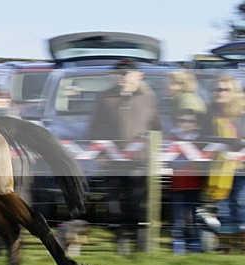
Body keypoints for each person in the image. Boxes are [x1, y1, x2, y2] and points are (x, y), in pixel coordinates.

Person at [87, 60, 161, 255]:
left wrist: (154, 154)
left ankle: (139, 237)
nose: (122, 77)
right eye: (119, 73)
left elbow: (155, 127)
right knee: (114, 200)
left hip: (139, 160)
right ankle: (120, 238)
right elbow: (95, 128)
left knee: (139, 199)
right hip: (112, 161)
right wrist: (100, 153)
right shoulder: (104, 98)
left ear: (139, 75)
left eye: (127, 73)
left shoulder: (148, 98)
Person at [202, 75, 245, 252]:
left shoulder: (241, 113)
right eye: (216, 89)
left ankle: (242, 243)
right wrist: (225, 141)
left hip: (241, 168)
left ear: (234, 92)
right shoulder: (210, 113)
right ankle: (226, 243)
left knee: (242, 203)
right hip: (220, 169)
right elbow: (203, 138)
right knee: (223, 206)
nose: (219, 93)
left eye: (224, 89)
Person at [167, 109, 205, 254]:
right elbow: (170, 162)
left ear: (196, 124)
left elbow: (203, 162)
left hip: (196, 185)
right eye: (182, 121)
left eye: (190, 121)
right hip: (177, 185)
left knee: (195, 216)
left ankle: (195, 242)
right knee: (178, 217)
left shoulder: (200, 139)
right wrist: (190, 159)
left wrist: (186, 158)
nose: (186, 124)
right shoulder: (172, 138)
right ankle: (178, 243)